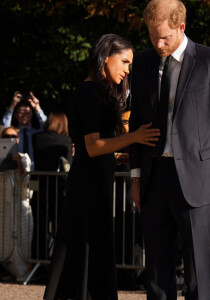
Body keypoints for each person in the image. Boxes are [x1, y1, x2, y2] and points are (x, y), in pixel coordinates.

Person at [129, 1, 210, 299]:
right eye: (152, 36)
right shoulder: (143, 63)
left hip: (198, 179)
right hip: (154, 178)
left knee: (197, 273)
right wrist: (135, 177)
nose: (158, 43)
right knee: (156, 272)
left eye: (165, 37)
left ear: (181, 27)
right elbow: (137, 124)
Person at [43, 34, 160, 300]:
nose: (128, 69)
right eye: (124, 62)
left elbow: (99, 150)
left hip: (94, 180)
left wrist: (126, 156)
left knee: (88, 248)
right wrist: (135, 136)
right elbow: (93, 147)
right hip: (89, 185)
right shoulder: (89, 93)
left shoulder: (98, 93)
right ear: (106, 57)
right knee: (87, 247)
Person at [30, 112, 73, 260]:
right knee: (58, 227)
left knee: (39, 226)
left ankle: (38, 259)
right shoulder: (66, 141)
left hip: (40, 187)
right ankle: (57, 261)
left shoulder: (37, 138)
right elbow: (68, 164)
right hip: (58, 188)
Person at [0, 126, 33, 282]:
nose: (10, 139)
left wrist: (20, 163)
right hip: (3, 207)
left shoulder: (24, 157)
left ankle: (23, 272)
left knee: (21, 239)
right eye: (6, 136)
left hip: (20, 206)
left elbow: (26, 184)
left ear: (18, 139)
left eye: (13, 136)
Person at [1, 92, 47, 170]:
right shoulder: (13, 134)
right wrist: (13, 105)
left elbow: (47, 126)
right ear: (15, 115)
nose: (24, 116)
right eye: (21, 113)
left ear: (32, 114)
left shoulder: (37, 133)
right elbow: (4, 127)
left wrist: (37, 108)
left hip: (35, 171)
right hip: (16, 171)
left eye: (27, 113)